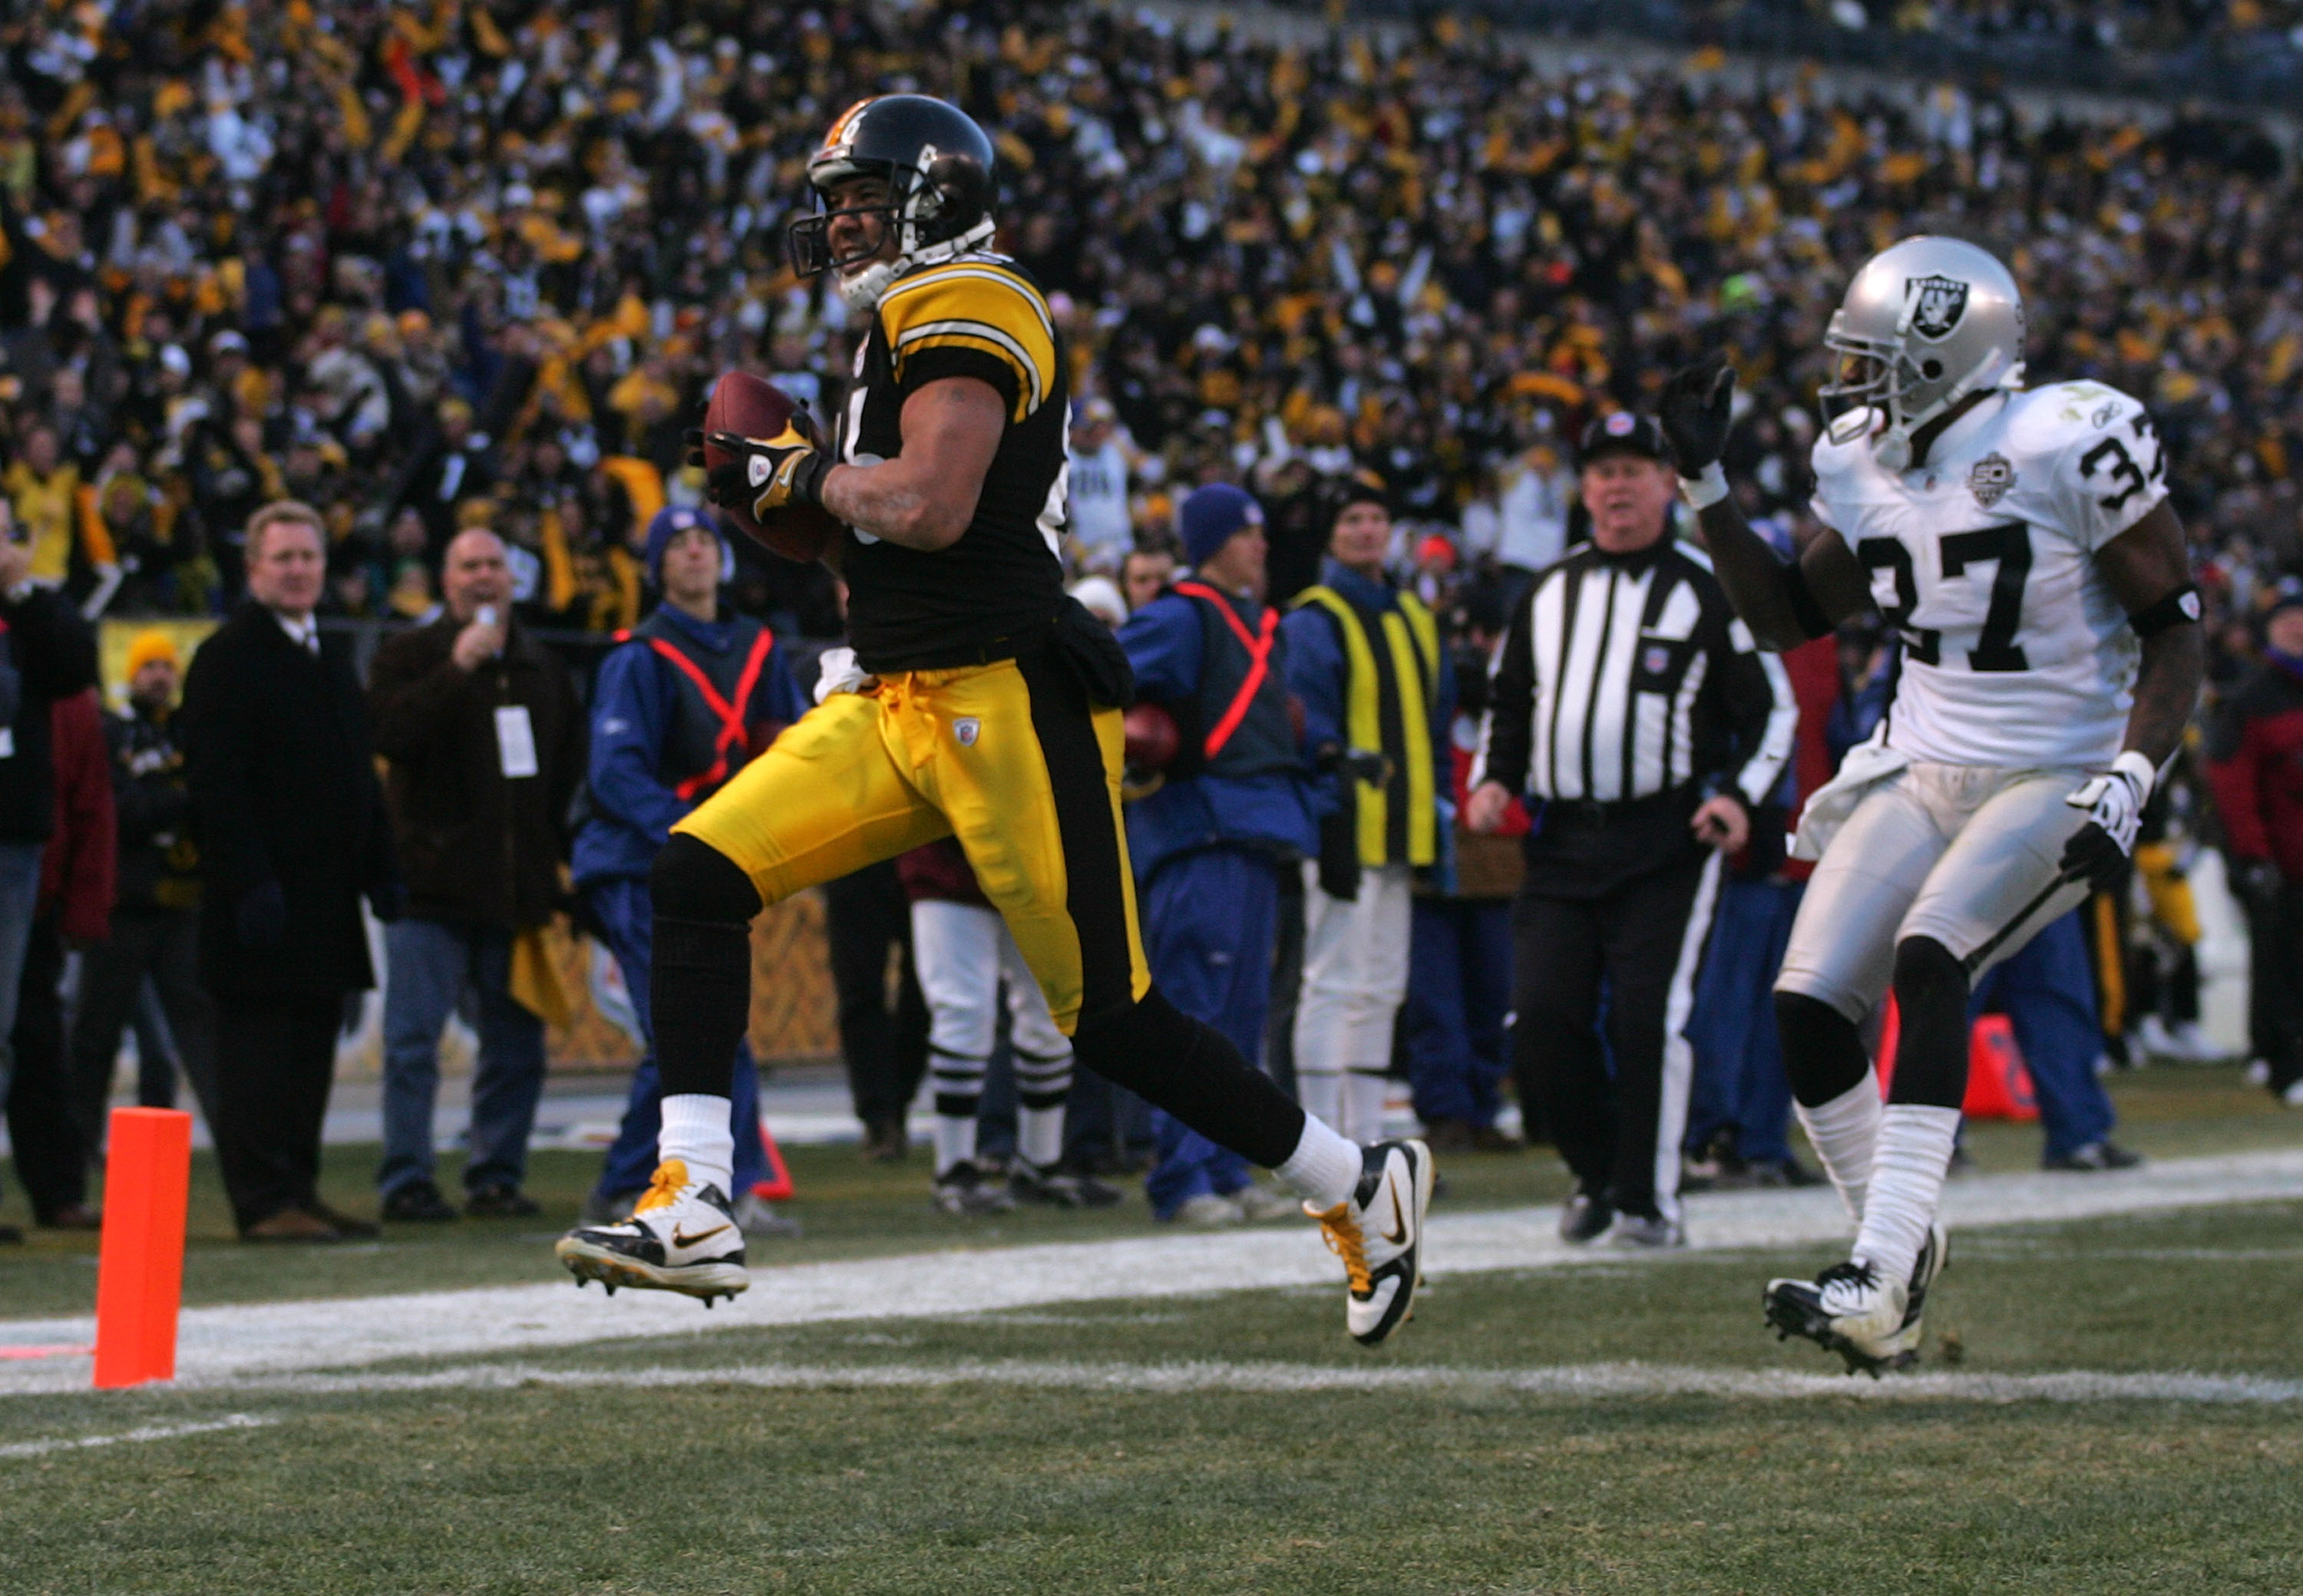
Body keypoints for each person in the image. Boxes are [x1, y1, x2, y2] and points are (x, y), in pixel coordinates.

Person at [556, 95, 1429, 1349]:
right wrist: (806, 531)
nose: (840, 220)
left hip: (1008, 697)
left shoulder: (975, 300)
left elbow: (932, 502)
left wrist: (803, 477)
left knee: (1112, 1018)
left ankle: (1355, 1179)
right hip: (897, 690)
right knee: (696, 868)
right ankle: (693, 1198)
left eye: (862, 196)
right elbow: (882, 542)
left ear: (936, 195)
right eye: (834, 199)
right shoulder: (894, 324)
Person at [1667, 236, 2206, 1372]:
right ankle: (1894, 1263)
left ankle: (1876, 1267)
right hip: (1919, 764)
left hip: (2056, 767)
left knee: (1930, 954)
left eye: (1874, 359)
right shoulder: (1870, 463)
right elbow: (1784, 616)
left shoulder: (2066, 438)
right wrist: (1704, 486)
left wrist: (2135, 770)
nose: (1853, 384)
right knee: (1809, 1005)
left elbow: (2176, 624)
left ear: (1940, 355)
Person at [1468, 412, 1794, 1247]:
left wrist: (1736, 799)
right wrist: (1494, 778)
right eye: (1601, 471)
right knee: (1540, 1018)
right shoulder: (1546, 590)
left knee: (1646, 1020)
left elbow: (1773, 711)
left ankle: (1650, 1203)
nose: (1616, 485)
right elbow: (1509, 700)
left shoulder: (1708, 585)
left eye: (1634, 469)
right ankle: (1595, 1172)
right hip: (1562, 842)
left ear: (1666, 484)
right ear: (1582, 490)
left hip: (1667, 842)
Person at [570, 507, 808, 1225]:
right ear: (657, 569)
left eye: (706, 540)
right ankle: (655, 1185)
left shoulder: (759, 649)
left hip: (705, 865)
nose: (697, 552)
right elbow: (615, 776)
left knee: (709, 1024)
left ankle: (712, 1184)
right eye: (679, 546)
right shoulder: (636, 656)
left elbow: (796, 750)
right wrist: (698, 835)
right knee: (689, 1028)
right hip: (639, 861)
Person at [180, 501, 401, 1242]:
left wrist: (380, 869)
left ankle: (298, 1189)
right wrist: (248, 880)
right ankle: (264, 1197)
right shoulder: (226, 656)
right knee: (257, 1054)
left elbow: (358, 776)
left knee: (310, 1053)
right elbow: (215, 782)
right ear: (254, 569)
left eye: (309, 557)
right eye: (284, 558)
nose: (300, 569)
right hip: (263, 898)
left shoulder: (328, 655)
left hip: (328, 897)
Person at [367, 527, 585, 1221]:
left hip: (515, 892)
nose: (483, 577)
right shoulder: (406, 655)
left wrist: (563, 871)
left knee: (517, 1047)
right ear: (445, 579)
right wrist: (456, 670)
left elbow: (568, 777)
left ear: (512, 578)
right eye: (469, 566)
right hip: (429, 889)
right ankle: (406, 1177)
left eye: (494, 564)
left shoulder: (543, 668)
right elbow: (390, 737)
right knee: (412, 1045)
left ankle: (496, 1174)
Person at [1118, 483, 1317, 1224]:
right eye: (1247, 533)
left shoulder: (1259, 621)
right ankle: (1182, 1175)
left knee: (1241, 1011)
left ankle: (1229, 1167)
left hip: (1257, 829)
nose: (1262, 545)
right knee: (1194, 1009)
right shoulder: (1179, 615)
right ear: (1213, 543)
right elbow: (1108, 677)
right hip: (1199, 829)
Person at [1284, 478, 1457, 1145]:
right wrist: (1328, 808)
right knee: (1332, 981)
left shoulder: (1414, 614)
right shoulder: (1314, 617)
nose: (1366, 529)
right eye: (1352, 518)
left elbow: (1437, 722)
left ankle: (1367, 1142)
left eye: (1377, 517)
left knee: (1382, 985)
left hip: (1405, 826)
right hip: (1343, 826)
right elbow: (1305, 723)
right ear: (1331, 533)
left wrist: (1438, 807)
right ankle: (1325, 1144)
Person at [897, 836, 1117, 1212]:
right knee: (963, 1014)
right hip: (952, 862)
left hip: (1035, 867)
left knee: (1052, 1013)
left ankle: (1040, 1161)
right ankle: (954, 1169)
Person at [71, 630, 221, 1158]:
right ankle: (79, 1148)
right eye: (148, 666)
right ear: (131, 675)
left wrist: (168, 799)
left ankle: (236, 1150)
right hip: (125, 912)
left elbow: (212, 798)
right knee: (94, 1035)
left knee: (200, 1039)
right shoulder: (115, 733)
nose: (159, 675)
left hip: (183, 907)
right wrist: (177, 799)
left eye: (166, 665)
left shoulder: (189, 730)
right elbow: (126, 811)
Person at [0, 499, 100, 1244]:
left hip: (14, 846)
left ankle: (52, 1185)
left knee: (14, 1028)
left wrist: (19, 592)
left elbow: (74, 668)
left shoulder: (33, 613)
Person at [5, 684, 113, 1232]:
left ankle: (59, 1189)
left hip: (37, 898)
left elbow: (91, 804)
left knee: (42, 1047)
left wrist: (86, 905)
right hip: (28, 885)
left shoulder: (63, 694)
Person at [2207, 591, 2303, 1107]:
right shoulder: (2251, 698)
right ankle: (2282, 1062)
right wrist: (2253, 855)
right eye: (2287, 621)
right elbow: (2233, 784)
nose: (2297, 629)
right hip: (2280, 863)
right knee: (2279, 967)